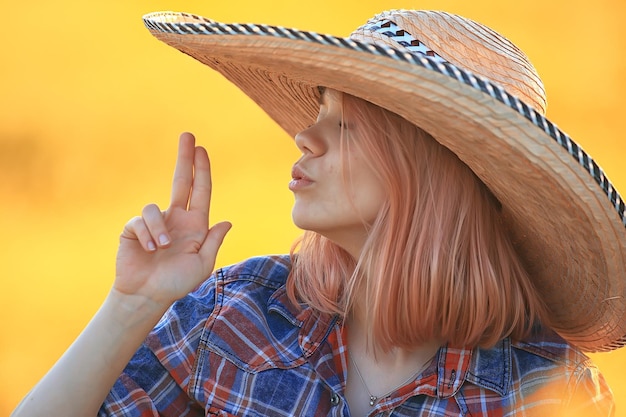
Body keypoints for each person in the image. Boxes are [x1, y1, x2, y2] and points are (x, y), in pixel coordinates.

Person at [11, 8, 624, 417]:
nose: (306, 136)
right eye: (318, 111)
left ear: (432, 169)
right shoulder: (240, 316)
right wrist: (133, 304)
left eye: (348, 126)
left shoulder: (542, 386)